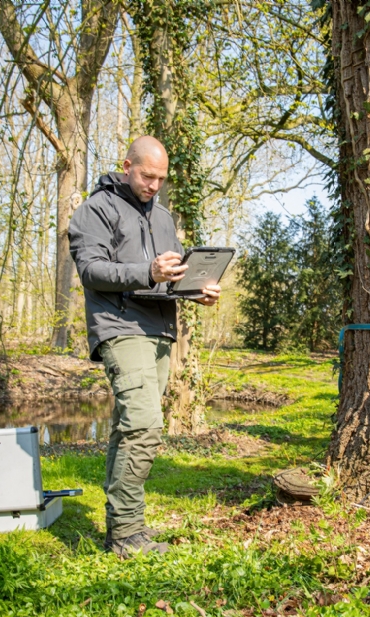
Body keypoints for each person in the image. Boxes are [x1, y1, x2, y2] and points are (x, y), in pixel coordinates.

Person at [68, 136, 220, 558]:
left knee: (127, 428)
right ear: (127, 165)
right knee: (146, 425)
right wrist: (147, 270)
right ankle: (128, 534)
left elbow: (166, 280)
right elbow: (91, 269)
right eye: (147, 175)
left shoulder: (164, 217)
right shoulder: (96, 209)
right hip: (119, 326)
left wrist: (195, 292)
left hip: (159, 330)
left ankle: (122, 527)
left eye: (160, 178)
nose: (154, 185)